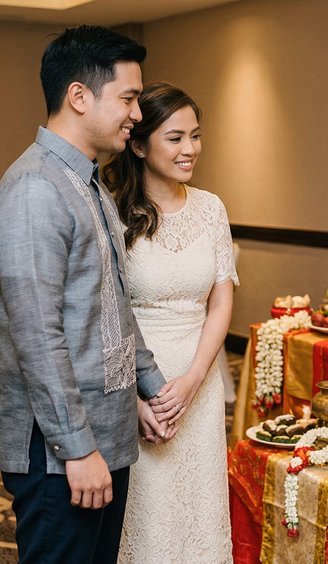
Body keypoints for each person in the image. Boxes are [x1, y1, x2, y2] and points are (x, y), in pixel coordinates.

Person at [0, 25, 172, 564]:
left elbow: (112, 305)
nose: (138, 114)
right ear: (79, 96)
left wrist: (151, 389)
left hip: (104, 433)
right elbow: (36, 338)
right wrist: (79, 448)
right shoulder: (34, 190)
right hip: (59, 453)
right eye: (129, 98)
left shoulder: (87, 183)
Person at [103, 81, 238, 563]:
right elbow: (107, 316)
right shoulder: (112, 212)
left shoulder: (211, 208)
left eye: (195, 135)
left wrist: (195, 380)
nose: (190, 149)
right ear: (138, 144)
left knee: (200, 512)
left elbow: (220, 302)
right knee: (149, 516)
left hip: (197, 385)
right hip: (138, 387)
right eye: (175, 137)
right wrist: (137, 400)